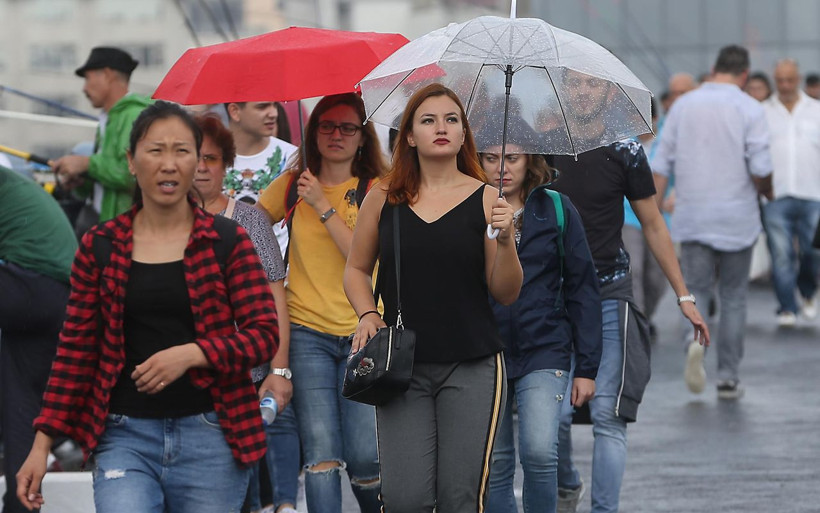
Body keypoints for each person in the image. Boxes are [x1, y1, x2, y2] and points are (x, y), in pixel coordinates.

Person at [16, 101, 279, 513]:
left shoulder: (228, 240)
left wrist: (195, 353)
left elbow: (264, 334)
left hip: (212, 432)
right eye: (155, 150)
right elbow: (75, 352)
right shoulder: (100, 246)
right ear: (131, 162)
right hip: (124, 436)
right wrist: (41, 442)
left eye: (181, 151)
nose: (168, 164)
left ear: (196, 162)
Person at [344, 83, 523, 512]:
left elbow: (506, 292)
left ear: (464, 134)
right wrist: (368, 312)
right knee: (406, 499)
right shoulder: (383, 197)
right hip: (401, 367)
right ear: (409, 136)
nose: (440, 128)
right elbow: (355, 268)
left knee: (460, 498)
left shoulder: (486, 199)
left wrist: (507, 238)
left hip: (473, 363)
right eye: (428, 120)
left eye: (451, 120)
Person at [548, 69, 710, 513]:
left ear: (608, 93)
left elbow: (654, 225)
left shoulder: (625, 150)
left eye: (592, 85)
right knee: (554, 420)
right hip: (552, 297)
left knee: (608, 416)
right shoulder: (541, 148)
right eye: (575, 83)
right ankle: (566, 485)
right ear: (563, 87)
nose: (583, 92)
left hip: (609, 292)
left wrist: (684, 297)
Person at [257, 93, 385, 513]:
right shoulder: (294, 184)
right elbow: (251, 227)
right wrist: (271, 273)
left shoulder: (377, 189)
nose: (336, 135)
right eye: (326, 126)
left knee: (366, 457)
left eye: (348, 127)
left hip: (363, 331)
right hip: (306, 332)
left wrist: (323, 206)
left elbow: (361, 258)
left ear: (363, 137)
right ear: (313, 133)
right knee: (321, 455)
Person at [474, 124, 602, 513]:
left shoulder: (556, 208)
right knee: (495, 463)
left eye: (511, 158)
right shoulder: (467, 208)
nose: (501, 169)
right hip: (484, 350)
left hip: (546, 348)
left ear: (529, 159)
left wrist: (588, 368)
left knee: (541, 453)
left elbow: (583, 287)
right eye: (491, 158)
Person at [192, 114, 301, 513]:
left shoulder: (251, 219)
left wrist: (279, 370)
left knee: (247, 491)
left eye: (213, 158)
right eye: (194, 157)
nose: (202, 168)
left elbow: (276, 297)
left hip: (246, 377)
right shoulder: (162, 222)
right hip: (188, 381)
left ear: (227, 165)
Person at [652, 45, 773, 400]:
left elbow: (661, 163)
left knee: (696, 291)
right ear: (745, 75)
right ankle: (729, 376)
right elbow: (762, 168)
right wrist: (767, 191)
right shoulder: (750, 107)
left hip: (693, 214)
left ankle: (697, 348)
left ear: (713, 69)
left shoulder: (684, 105)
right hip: (738, 216)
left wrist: (654, 215)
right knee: (734, 296)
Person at [0, 166, 77, 513]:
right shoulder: (13, 185)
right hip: (58, 298)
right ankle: (20, 506)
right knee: (23, 403)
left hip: (26, 284)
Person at [51, 46, 152, 232]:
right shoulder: (108, 118)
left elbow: (133, 174)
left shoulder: (133, 115)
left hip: (124, 228)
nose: (84, 88)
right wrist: (83, 181)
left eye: (88, 78)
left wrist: (87, 165)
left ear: (107, 74)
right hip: (104, 221)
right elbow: (108, 173)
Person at [761, 59, 820, 326]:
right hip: (775, 195)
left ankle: (808, 291)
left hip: (813, 194)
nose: (784, 85)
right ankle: (787, 307)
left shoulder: (816, 110)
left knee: (813, 251)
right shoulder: (761, 112)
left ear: (798, 80)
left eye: (789, 80)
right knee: (781, 253)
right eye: (780, 80)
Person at [224, 101, 298, 256]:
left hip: (278, 272)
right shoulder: (211, 158)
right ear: (235, 111)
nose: (273, 113)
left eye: (274, 105)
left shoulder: (292, 157)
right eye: (262, 107)